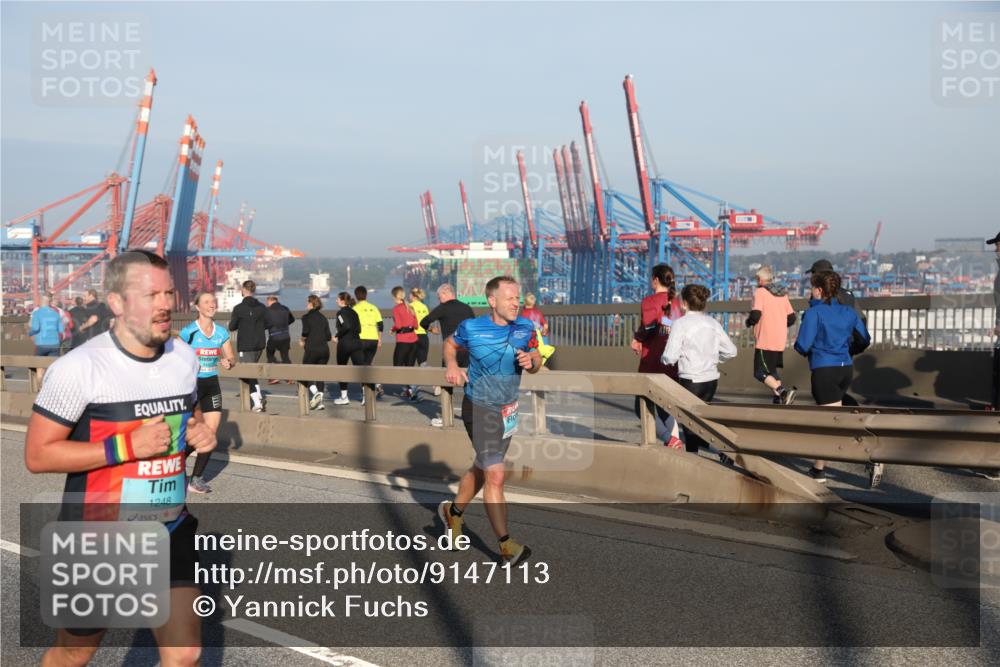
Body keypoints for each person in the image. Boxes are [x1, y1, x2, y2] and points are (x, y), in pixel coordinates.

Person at [25, 249, 216, 667]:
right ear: (116, 302)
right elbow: (38, 455)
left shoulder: (182, 357)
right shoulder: (79, 368)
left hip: (168, 527)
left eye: (169, 293)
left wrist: (197, 433)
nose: (166, 304)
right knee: (74, 653)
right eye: (151, 295)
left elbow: (190, 418)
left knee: (185, 654)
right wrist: (126, 446)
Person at [438, 276, 541, 565]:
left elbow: (536, 358)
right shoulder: (471, 327)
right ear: (492, 301)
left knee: (483, 468)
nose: (516, 302)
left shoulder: (525, 327)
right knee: (495, 473)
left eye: (517, 297)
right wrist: (453, 365)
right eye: (509, 298)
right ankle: (507, 546)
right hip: (479, 407)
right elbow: (449, 343)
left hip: (508, 410)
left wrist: (531, 362)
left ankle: (453, 513)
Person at [794, 271, 871, 486]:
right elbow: (865, 339)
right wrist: (848, 349)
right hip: (845, 368)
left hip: (824, 370)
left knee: (829, 424)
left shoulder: (813, 313)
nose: (810, 292)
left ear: (818, 290)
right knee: (835, 419)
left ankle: (824, 470)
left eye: (811, 288)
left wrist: (810, 350)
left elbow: (802, 345)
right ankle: (819, 468)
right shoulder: (848, 311)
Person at [662, 284, 738, 459]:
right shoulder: (712, 323)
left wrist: (664, 359)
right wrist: (714, 359)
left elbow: (670, 357)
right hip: (711, 381)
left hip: (691, 380)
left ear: (684, 303)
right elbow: (731, 351)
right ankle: (721, 451)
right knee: (701, 422)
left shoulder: (680, 324)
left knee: (689, 425)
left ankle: (694, 461)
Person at [178, 292, 235, 493]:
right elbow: (176, 356)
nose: (212, 305)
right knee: (191, 433)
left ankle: (196, 479)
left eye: (213, 302)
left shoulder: (221, 332)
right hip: (192, 386)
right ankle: (174, 465)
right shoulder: (189, 332)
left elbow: (231, 356)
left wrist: (229, 362)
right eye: (207, 302)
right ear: (197, 307)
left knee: (209, 433)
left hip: (211, 384)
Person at [630, 263, 685, 448]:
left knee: (641, 407)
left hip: (652, 361)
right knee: (665, 408)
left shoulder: (649, 301)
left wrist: (637, 338)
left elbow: (650, 326)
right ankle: (674, 442)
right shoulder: (680, 303)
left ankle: (670, 440)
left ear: (655, 280)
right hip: (674, 364)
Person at [420, 283, 475, 426]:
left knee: (447, 384)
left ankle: (446, 418)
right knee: (470, 383)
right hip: (468, 350)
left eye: (439, 297)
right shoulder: (467, 308)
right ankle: (473, 416)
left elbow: (424, 321)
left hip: (451, 351)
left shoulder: (443, 308)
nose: (439, 300)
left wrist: (431, 330)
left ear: (445, 294)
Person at [746, 266, 797, 405]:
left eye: (757, 279)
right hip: (779, 340)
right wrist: (778, 325)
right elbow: (792, 318)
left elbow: (756, 314)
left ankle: (783, 392)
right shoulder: (782, 294)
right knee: (771, 371)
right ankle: (778, 399)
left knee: (759, 372)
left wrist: (748, 322)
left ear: (761, 279)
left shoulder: (760, 292)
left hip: (765, 339)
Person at [228, 280, 267, 413]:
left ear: (244, 290)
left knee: (246, 373)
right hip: (260, 345)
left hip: (246, 345)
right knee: (252, 372)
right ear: (254, 290)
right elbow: (268, 323)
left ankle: (257, 403)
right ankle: (259, 396)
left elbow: (232, 327)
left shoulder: (239, 308)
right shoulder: (262, 307)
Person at [332, 292, 365, 405]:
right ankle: (366, 395)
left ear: (342, 301)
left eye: (337, 299)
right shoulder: (354, 312)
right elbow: (359, 329)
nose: (336, 301)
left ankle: (344, 397)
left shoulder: (340, 313)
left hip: (345, 344)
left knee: (342, 369)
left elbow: (346, 326)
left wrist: (337, 335)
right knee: (360, 369)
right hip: (357, 342)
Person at [300, 295, 332, 410]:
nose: (306, 305)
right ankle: (320, 403)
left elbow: (305, 331)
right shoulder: (323, 318)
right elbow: (328, 336)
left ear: (311, 304)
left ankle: (315, 394)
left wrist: (302, 340)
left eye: (307, 303)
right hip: (324, 350)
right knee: (320, 375)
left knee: (305, 373)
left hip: (312, 349)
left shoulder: (306, 317)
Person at [353, 285, 384, 401]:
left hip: (361, 339)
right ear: (366, 295)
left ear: (356, 296)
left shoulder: (355, 309)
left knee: (361, 368)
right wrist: (379, 339)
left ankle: (366, 394)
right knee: (368, 364)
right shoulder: (373, 307)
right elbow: (381, 325)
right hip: (373, 340)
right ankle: (375, 384)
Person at [390, 286, 420, 400]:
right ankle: (411, 390)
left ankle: (411, 389)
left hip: (403, 341)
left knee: (397, 366)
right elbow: (416, 326)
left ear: (394, 296)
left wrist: (392, 329)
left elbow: (397, 325)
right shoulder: (410, 307)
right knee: (409, 367)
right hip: (414, 340)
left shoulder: (396, 308)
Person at [264, 295, 295, 383]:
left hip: (274, 336)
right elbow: (292, 319)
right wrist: (285, 325)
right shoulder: (285, 308)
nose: (267, 304)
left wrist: (266, 327)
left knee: (270, 355)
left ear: (270, 301)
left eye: (267, 302)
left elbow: (265, 323)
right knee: (285, 357)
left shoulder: (268, 310)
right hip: (285, 336)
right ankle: (289, 377)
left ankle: (273, 377)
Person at [29, 293, 64, 358]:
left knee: (38, 365)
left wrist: (30, 333)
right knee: (52, 364)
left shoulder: (37, 312)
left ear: (41, 300)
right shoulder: (56, 313)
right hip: (55, 344)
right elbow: (61, 330)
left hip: (42, 343)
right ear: (50, 302)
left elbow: (35, 328)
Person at [410, 288, 431, 396]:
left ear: (413, 296)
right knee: (423, 363)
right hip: (424, 337)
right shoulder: (424, 307)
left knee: (411, 363)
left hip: (413, 336)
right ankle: (435, 381)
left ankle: (413, 388)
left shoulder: (410, 306)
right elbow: (427, 323)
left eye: (410, 295)